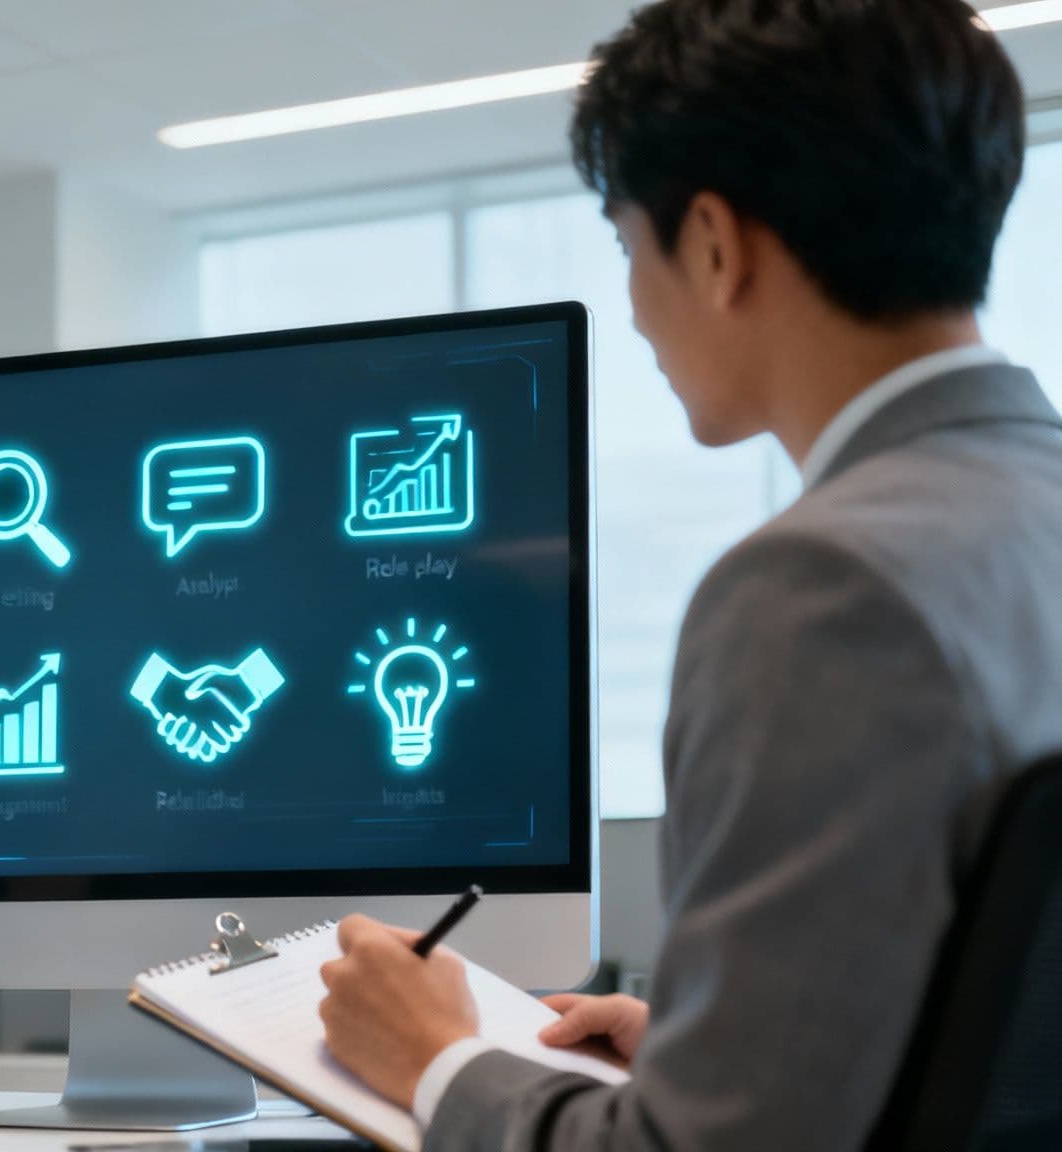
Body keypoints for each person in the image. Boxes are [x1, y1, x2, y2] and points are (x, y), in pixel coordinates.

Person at [317, 1, 1062, 1148]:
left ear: (712, 245)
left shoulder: (823, 587)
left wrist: (435, 1060)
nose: (629, 308)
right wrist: (703, 1044)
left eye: (627, 248)